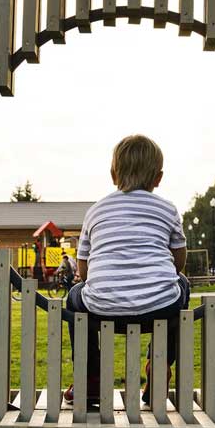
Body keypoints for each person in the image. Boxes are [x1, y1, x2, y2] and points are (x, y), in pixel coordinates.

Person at [65, 134, 189, 405]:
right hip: (159, 308)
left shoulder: (96, 211)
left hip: (102, 309)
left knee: (74, 297)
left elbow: (84, 271)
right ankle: (159, 365)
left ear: (113, 174)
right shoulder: (168, 209)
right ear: (158, 178)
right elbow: (179, 262)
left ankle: (91, 379)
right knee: (182, 285)